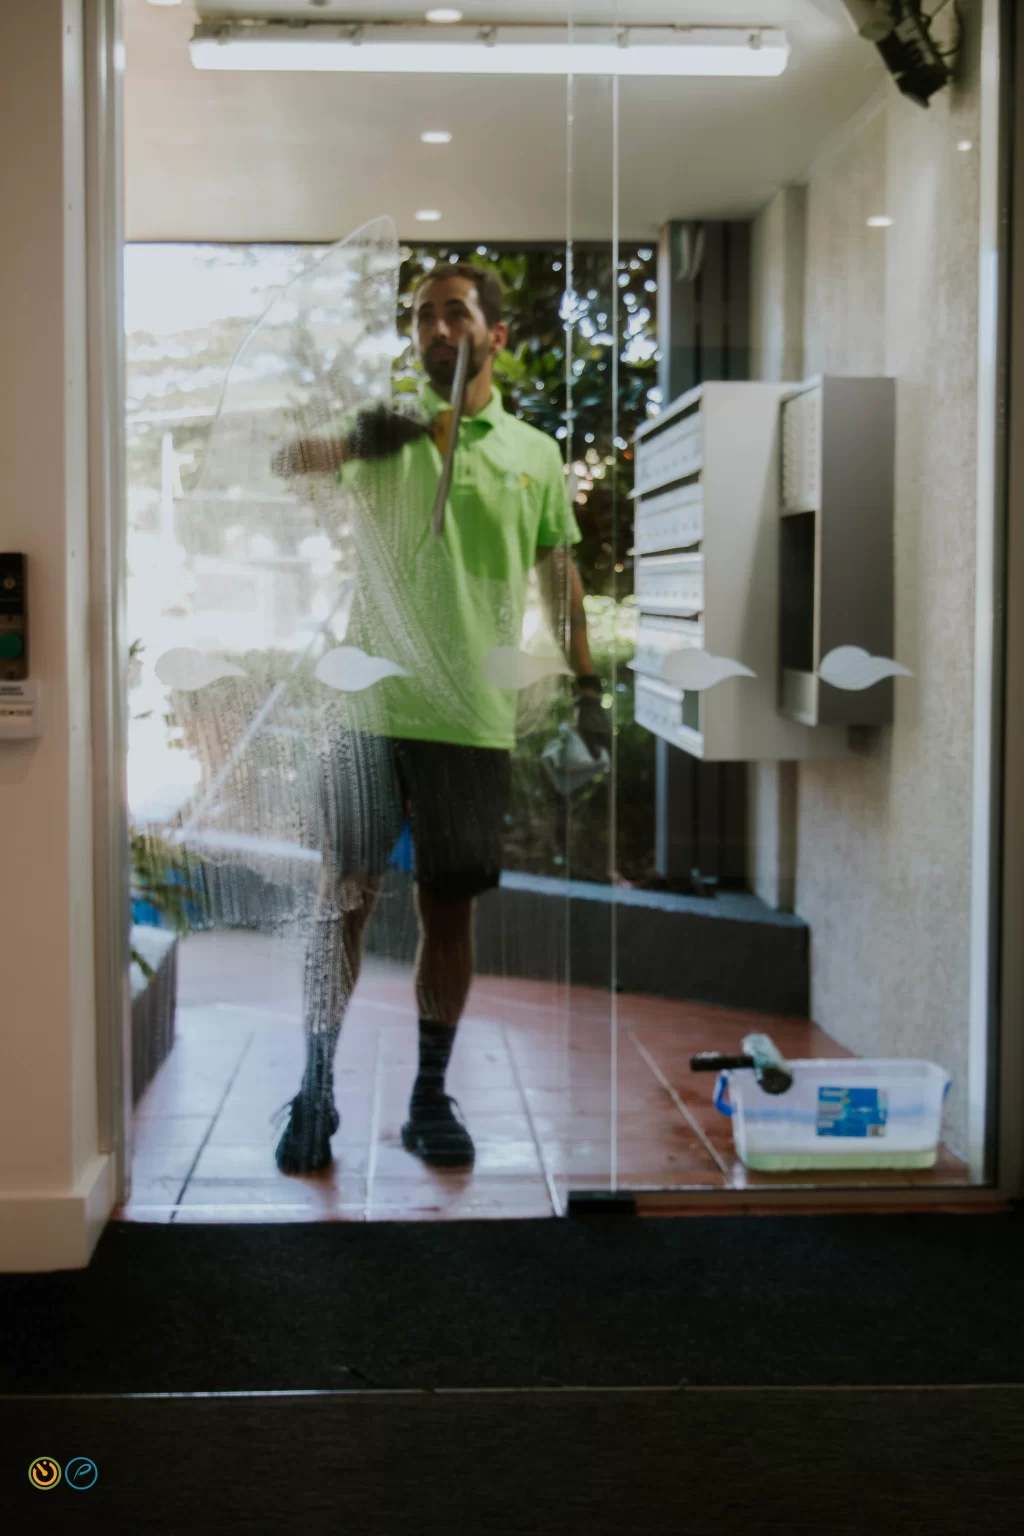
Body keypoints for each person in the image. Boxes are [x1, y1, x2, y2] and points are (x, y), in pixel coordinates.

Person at [271, 263, 610, 1174]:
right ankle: (315, 1089)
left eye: (454, 313)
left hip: (469, 718)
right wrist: (362, 441)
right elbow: (282, 461)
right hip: (370, 708)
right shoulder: (382, 437)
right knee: (340, 903)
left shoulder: (533, 453)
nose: (434, 329)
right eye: (421, 317)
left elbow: (558, 576)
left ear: (495, 335)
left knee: (447, 913)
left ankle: (428, 1098)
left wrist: (589, 690)